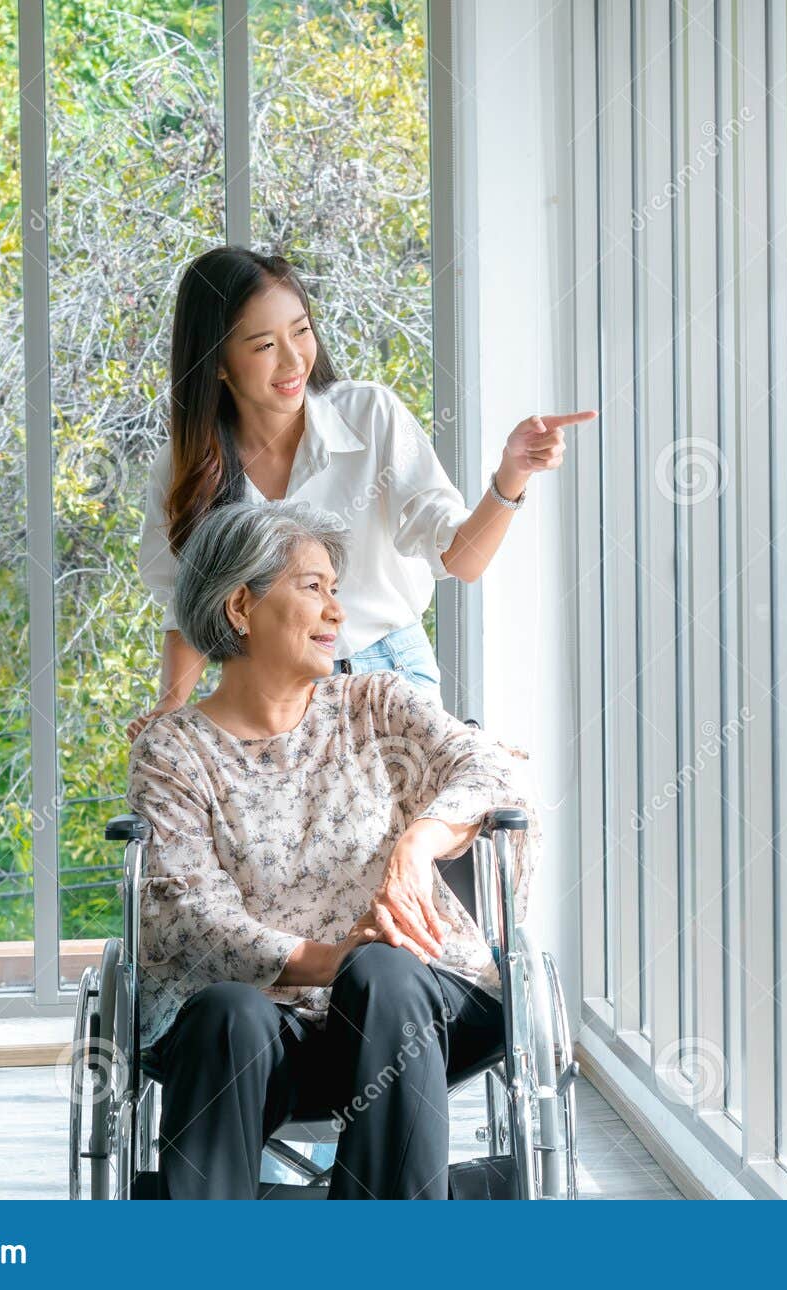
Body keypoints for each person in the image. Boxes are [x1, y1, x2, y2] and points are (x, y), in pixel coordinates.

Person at [127, 498, 539, 1200]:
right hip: (262, 1036)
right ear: (240, 607)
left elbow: (497, 773)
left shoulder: (377, 705)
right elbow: (184, 914)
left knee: (384, 973)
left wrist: (418, 843)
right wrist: (325, 960)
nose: (336, 612)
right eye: (312, 587)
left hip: (410, 1015)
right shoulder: (173, 751)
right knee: (230, 1012)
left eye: (335, 590)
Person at [129, 245, 595, 738]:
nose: (293, 360)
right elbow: (185, 604)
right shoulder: (188, 467)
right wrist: (172, 709)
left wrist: (512, 474)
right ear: (218, 362)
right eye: (264, 345)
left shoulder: (370, 417)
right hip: (269, 697)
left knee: (417, 818)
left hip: (389, 678)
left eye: (301, 331)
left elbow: (463, 560)